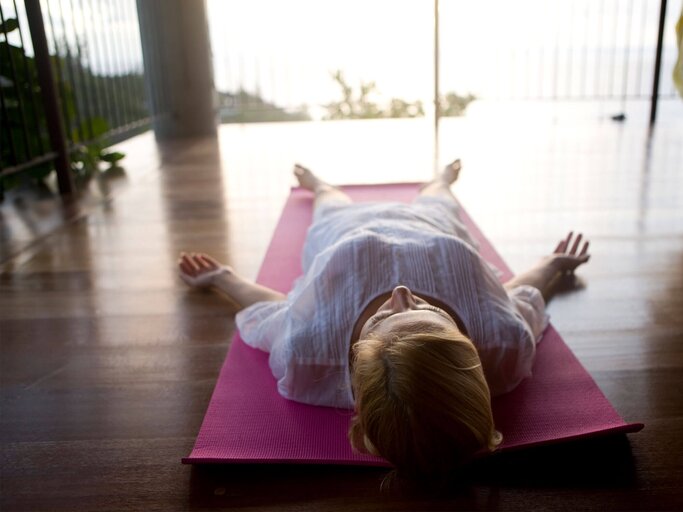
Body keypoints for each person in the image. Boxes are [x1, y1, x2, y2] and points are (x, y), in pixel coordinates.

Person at [178, 160, 590, 479]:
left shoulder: (307, 350)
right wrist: (553, 263)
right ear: (471, 356)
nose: (401, 294)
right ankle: (443, 178)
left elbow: (272, 310)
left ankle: (320, 185)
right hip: (436, 226)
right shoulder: (502, 341)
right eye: (431, 317)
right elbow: (520, 295)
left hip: (344, 230)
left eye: (381, 320)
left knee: (330, 199)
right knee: (437, 194)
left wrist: (222, 277)